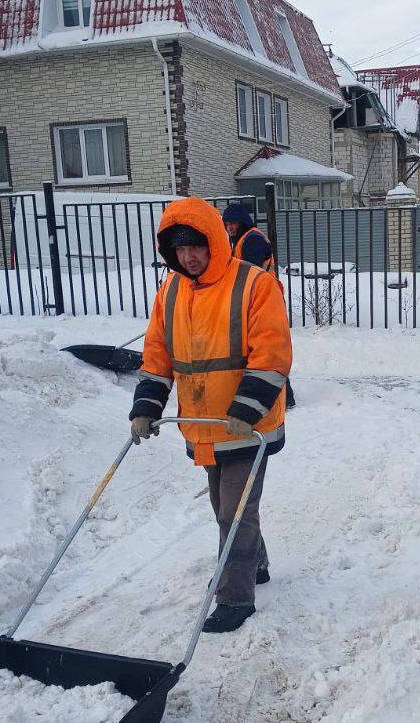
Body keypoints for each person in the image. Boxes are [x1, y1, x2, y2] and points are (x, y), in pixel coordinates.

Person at [129, 197, 292, 634]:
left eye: (196, 246)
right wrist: (146, 405)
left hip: (247, 424)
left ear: (216, 242)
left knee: (234, 512)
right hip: (203, 425)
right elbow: (158, 355)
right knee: (226, 505)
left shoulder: (254, 284)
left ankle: (235, 596)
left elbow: (271, 354)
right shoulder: (171, 291)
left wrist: (247, 409)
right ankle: (253, 563)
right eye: (179, 250)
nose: (189, 257)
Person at [222, 203, 296, 409]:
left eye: (233, 222)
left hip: (263, 299)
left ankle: (285, 397)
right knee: (260, 348)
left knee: (268, 348)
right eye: (227, 223)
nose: (230, 227)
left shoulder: (252, 239)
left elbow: (250, 273)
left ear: (242, 222)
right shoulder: (242, 239)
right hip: (257, 297)